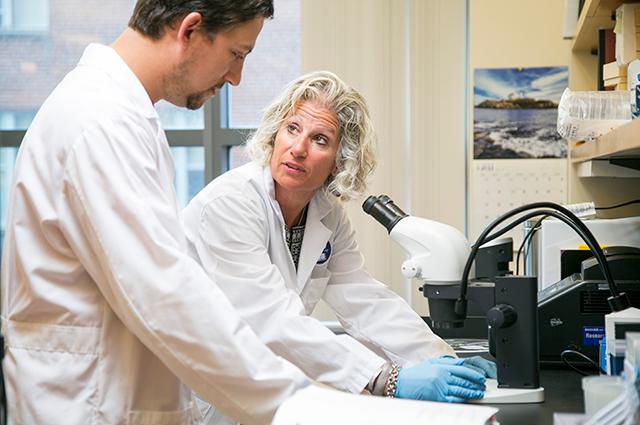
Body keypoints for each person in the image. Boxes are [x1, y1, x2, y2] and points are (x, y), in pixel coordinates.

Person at [0, 1, 312, 424]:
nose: (236, 77)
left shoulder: (122, 115)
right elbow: (165, 293)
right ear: (190, 30)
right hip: (88, 405)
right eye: (237, 54)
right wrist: (300, 404)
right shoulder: (101, 122)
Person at [181, 70, 497, 422]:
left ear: (339, 160)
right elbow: (271, 321)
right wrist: (385, 378)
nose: (298, 149)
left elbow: (364, 299)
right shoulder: (229, 204)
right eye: (292, 128)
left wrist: (440, 359)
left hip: (258, 388)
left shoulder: (326, 213)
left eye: (320, 139)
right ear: (274, 133)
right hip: (203, 392)